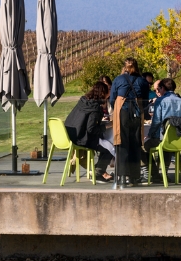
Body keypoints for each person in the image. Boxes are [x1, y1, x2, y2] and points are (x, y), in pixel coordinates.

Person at [108, 57, 150, 188]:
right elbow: (145, 99)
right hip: (137, 113)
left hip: (123, 113)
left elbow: (112, 99)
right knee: (135, 144)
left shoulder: (118, 79)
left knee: (121, 143)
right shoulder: (142, 81)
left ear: (124, 67)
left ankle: (121, 177)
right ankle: (134, 177)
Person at [63, 81, 113, 182]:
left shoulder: (83, 101)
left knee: (105, 144)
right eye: (108, 92)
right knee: (109, 148)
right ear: (103, 94)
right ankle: (98, 173)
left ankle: (96, 171)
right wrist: (108, 126)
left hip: (70, 135)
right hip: (82, 139)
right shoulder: (95, 108)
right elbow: (92, 129)